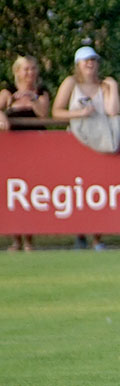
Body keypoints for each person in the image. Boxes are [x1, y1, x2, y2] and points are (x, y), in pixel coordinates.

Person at [52, 46, 120, 251]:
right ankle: (79, 235)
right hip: (74, 142)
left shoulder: (104, 85)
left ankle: (98, 237)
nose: (90, 64)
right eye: (85, 61)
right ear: (78, 65)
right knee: (76, 189)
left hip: (98, 143)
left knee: (98, 189)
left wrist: (113, 87)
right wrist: (80, 113)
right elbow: (56, 111)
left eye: (93, 60)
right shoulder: (71, 83)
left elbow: (113, 112)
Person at [0, 55, 51, 251]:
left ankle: (30, 239)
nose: (29, 73)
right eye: (25, 69)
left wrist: (32, 101)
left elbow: (43, 114)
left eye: (32, 68)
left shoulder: (41, 92)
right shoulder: (8, 92)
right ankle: (16, 239)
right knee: (14, 191)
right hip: (12, 148)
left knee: (32, 190)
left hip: (35, 147)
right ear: (17, 72)